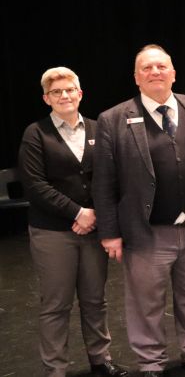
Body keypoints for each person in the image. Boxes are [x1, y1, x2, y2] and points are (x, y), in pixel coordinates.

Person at [93, 45, 185, 377]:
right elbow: (104, 183)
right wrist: (110, 232)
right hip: (146, 231)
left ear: (173, 73)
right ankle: (151, 363)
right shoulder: (114, 119)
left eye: (162, 66)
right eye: (147, 68)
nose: (156, 72)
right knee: (146, 302)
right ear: (137, 77)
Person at [18, 67, 128, 377]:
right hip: (53, 232)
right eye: (56, 92)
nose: (64, 95)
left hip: (93, 230)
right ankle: (56, 369)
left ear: (80, 94)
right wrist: (78, 213)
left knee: (96, 299)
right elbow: (35, 185)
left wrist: (92, 213)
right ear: (46, 98)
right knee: (57, 304)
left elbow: (110, 177)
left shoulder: (98, 128)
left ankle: (100, 359)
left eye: (69, 90)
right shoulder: (35, 133)